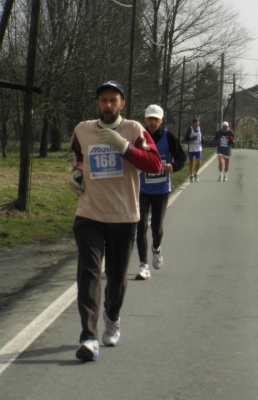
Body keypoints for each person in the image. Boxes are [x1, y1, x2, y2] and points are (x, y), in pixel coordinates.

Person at [69, 81, 161, 361]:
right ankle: (88, 337)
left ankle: (112, 317)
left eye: (113, 100)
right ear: (97, 103)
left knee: (118, 279)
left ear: (122, 104)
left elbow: (155, 164)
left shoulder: (134, 130)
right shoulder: (82, 130)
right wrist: (76, 173)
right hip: (89, 215)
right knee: (89, 274)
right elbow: (79, 156)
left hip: (123, 217)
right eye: (103, 100)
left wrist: (124, 147)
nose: (108, 105)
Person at [135, 104, 186, 280]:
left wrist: (174, 166)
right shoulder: (139, 137)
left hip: (162, 189)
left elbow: (181, 157)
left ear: (161, 120)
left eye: (156, 119)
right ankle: (144, 265)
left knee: (156, 228)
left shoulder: (168, 136)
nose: (153, 122)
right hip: (142, 189)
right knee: (141, 225)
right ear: (145, 119)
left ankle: (156, 249)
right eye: (150, 118)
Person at [184, 118, 203, 182]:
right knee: (192, 162)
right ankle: (191, 175)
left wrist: (202, 141)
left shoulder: (201, 129)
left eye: (198, 122)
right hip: (191, 148)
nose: (197, 123)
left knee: (199, 162)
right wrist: (191, 139)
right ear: (193, 123)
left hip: (198, 148)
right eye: (196, 122)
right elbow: (186, 138)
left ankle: (196, 173)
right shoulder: (190, 129)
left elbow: (201, 137)